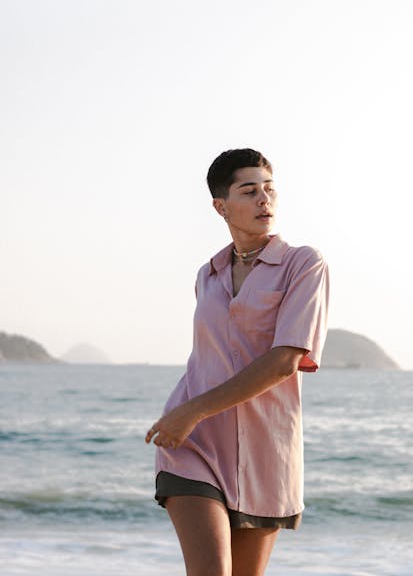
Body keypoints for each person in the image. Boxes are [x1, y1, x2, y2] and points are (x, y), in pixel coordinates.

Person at [145, 148, 330, 576]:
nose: (264, 199)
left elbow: (285, 361)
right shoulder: (206, 275)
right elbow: (207, 356)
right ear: (221, 206)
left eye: (269, 189)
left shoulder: (303, 265)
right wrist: (186, 413)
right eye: (250, 191)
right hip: (193, 444)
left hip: (266, 453)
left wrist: (192, 410)